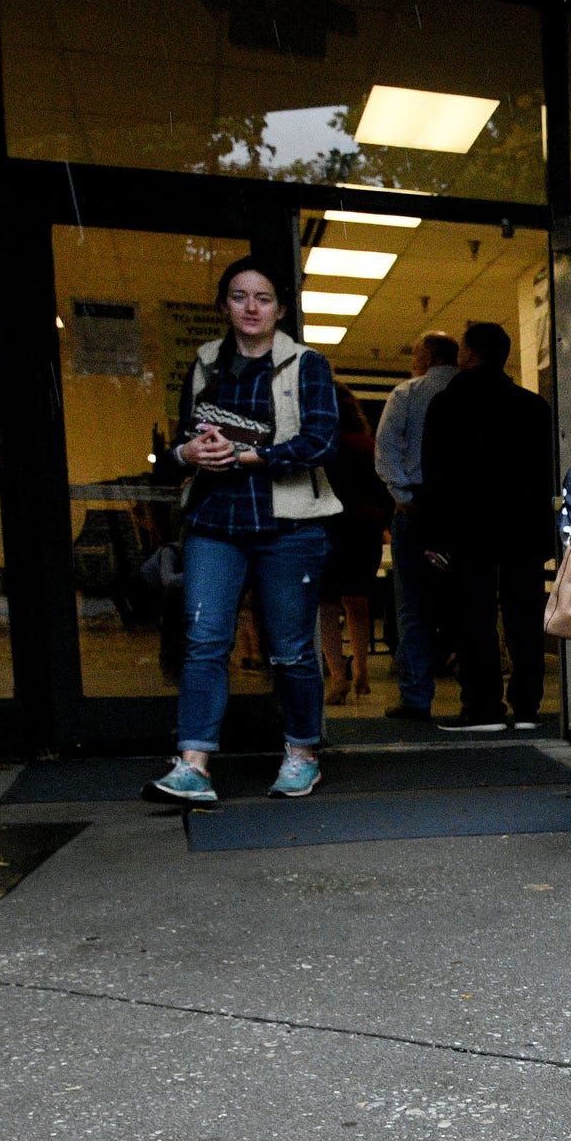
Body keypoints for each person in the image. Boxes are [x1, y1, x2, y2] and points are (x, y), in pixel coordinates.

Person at [142, 256, 345, 806]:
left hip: (289, 525)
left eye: (262, 298)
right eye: (239, 296)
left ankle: (302, 753)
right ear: (224, 305)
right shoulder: (206, 361)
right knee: (204, 641)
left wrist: (255, 455)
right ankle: (193, 765)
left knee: (290, 651)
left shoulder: (308, 365)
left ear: (280, 308)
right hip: (215, 522)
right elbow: (184, 436)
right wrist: (188, 451)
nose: (251, 308)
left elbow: (324, 442)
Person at [417, 322, 556, 732]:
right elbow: (545, 473)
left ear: (468, 355)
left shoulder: (447, 404)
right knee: (524, 617)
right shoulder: (534, 408)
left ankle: (483, 706)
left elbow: (435, 474)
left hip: (467, 529)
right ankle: (528, 707)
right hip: (522, 530)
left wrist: (433, 535)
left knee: (473, 617)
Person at [375, 332, 461, 721]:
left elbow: (387, 448)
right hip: (463, 509)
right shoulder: (470, 392)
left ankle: (416, 696)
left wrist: (401, 495)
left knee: (413, 605)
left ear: (426, 355)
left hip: (417, 506)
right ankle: (479, 697)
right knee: (469, 601)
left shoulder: (407, 393)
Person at [319, 381, 392, 705]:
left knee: (326, 606)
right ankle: (361, 669)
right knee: (358, 603)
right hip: (364, 530)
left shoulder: (321, 445)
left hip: (328, 527)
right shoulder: (367, 445)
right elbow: (382, 491)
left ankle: (338, 677)